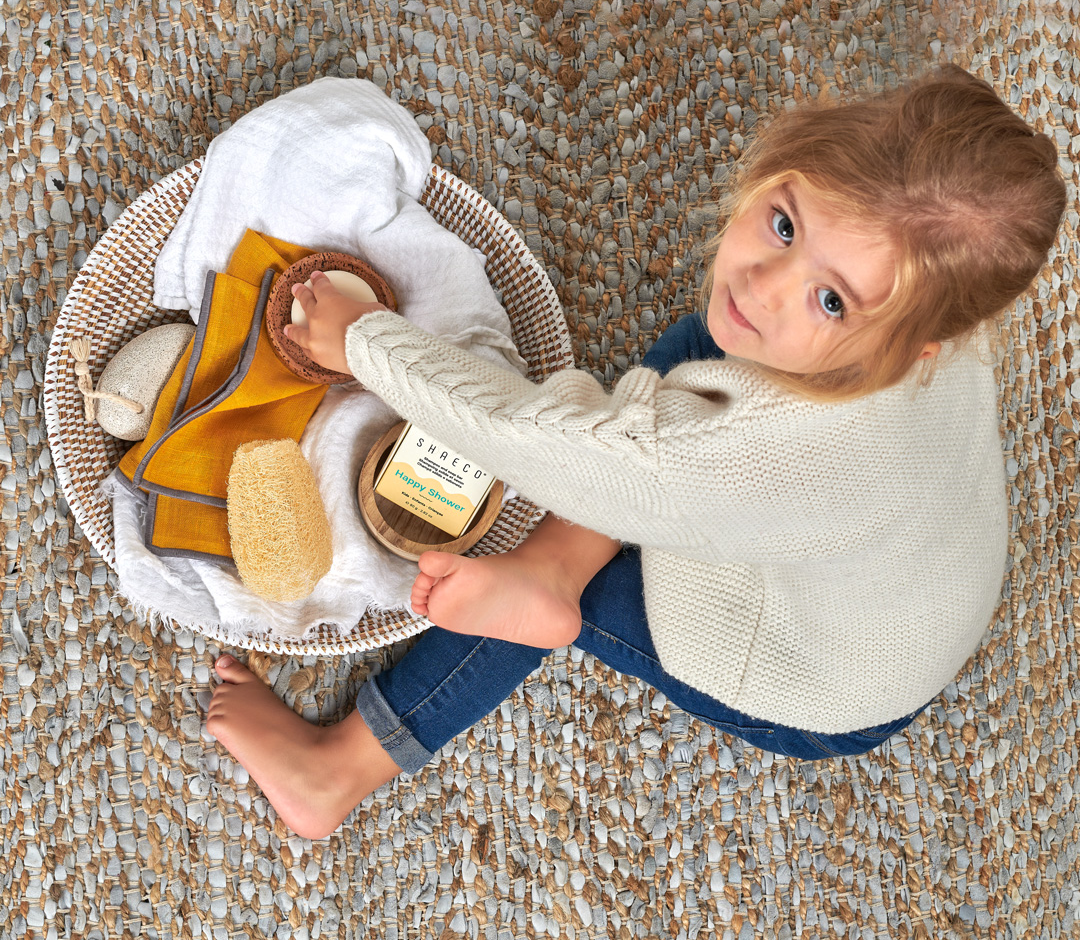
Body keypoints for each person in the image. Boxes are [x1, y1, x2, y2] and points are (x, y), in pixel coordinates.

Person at [205, 65, 1067, 840]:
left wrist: (364, 339)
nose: (760, 283)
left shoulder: (751, 455)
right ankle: (560, 560)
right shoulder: (931, 325)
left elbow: (532, 437)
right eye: (782, 223)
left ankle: (341, 767)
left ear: (914, 342)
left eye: (831, 300)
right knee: (709, 342)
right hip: (907, 574)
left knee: (524, 515)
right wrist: (820, 317)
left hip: (814, 678)